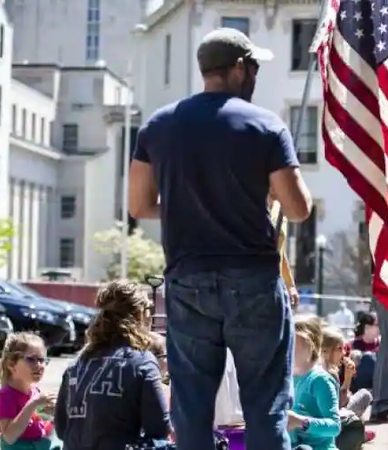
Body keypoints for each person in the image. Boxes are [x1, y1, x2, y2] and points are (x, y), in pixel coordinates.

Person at [128, 27, 312, 450]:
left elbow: (139, 205)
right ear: (240, 68)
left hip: (188, 279)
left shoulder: (158, 126)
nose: (256, 76)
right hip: (253, 280)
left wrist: (188, 205)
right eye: (255, 67)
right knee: (265, 405)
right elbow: (298, 208)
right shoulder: (266, 125)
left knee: (192, 407)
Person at [55, 281, 171, 450]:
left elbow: (62, 429)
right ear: (139, 314)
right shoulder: (142, 362)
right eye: (148, 310)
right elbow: (159, 428)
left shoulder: (76, 364)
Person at [289, 316, 341, 450]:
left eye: (293, 341)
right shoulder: (287, 378)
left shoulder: (320, 380)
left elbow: (335, 426)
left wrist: (301, 422)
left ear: (310, 344)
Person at [0, 332, 59, 450]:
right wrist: (33, 404)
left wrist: (53, 414)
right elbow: (9, 437)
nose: (39, 365)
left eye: (42, 360)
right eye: (31, 359)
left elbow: (38, 426)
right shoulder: (6, 395)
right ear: (12, 365)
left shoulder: (35, 392)